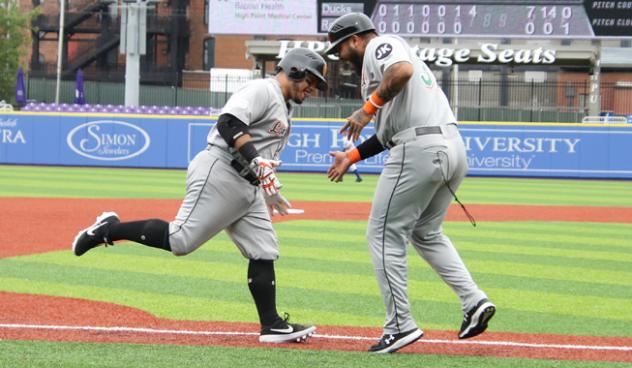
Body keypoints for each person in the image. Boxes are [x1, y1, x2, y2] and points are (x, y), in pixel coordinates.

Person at [71, 48, 328, 344]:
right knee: (180, 240)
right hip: (222, 171)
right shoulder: (263, 90)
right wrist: (256, 161)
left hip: (248, 185)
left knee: (264, 249)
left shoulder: (284, 105)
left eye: (317, 85)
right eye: (311, 80)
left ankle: (272, 325)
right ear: (294, 70)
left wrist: (265, 184)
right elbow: (229, 123)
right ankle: (108, 229)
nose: (313, 89)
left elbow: (261, 151)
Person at [325, 13, 495, 354]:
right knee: (425, 232)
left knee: (382, 233)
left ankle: (400, 325)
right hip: (450, 148)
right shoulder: (377, 68)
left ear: (356, 38)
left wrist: (367, 108)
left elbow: (401, 72)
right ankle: (474, 301)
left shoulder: (380, 45)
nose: (340, 55)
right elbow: (387, 134)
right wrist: (352, 157)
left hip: (419, 148)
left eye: (341, 47)